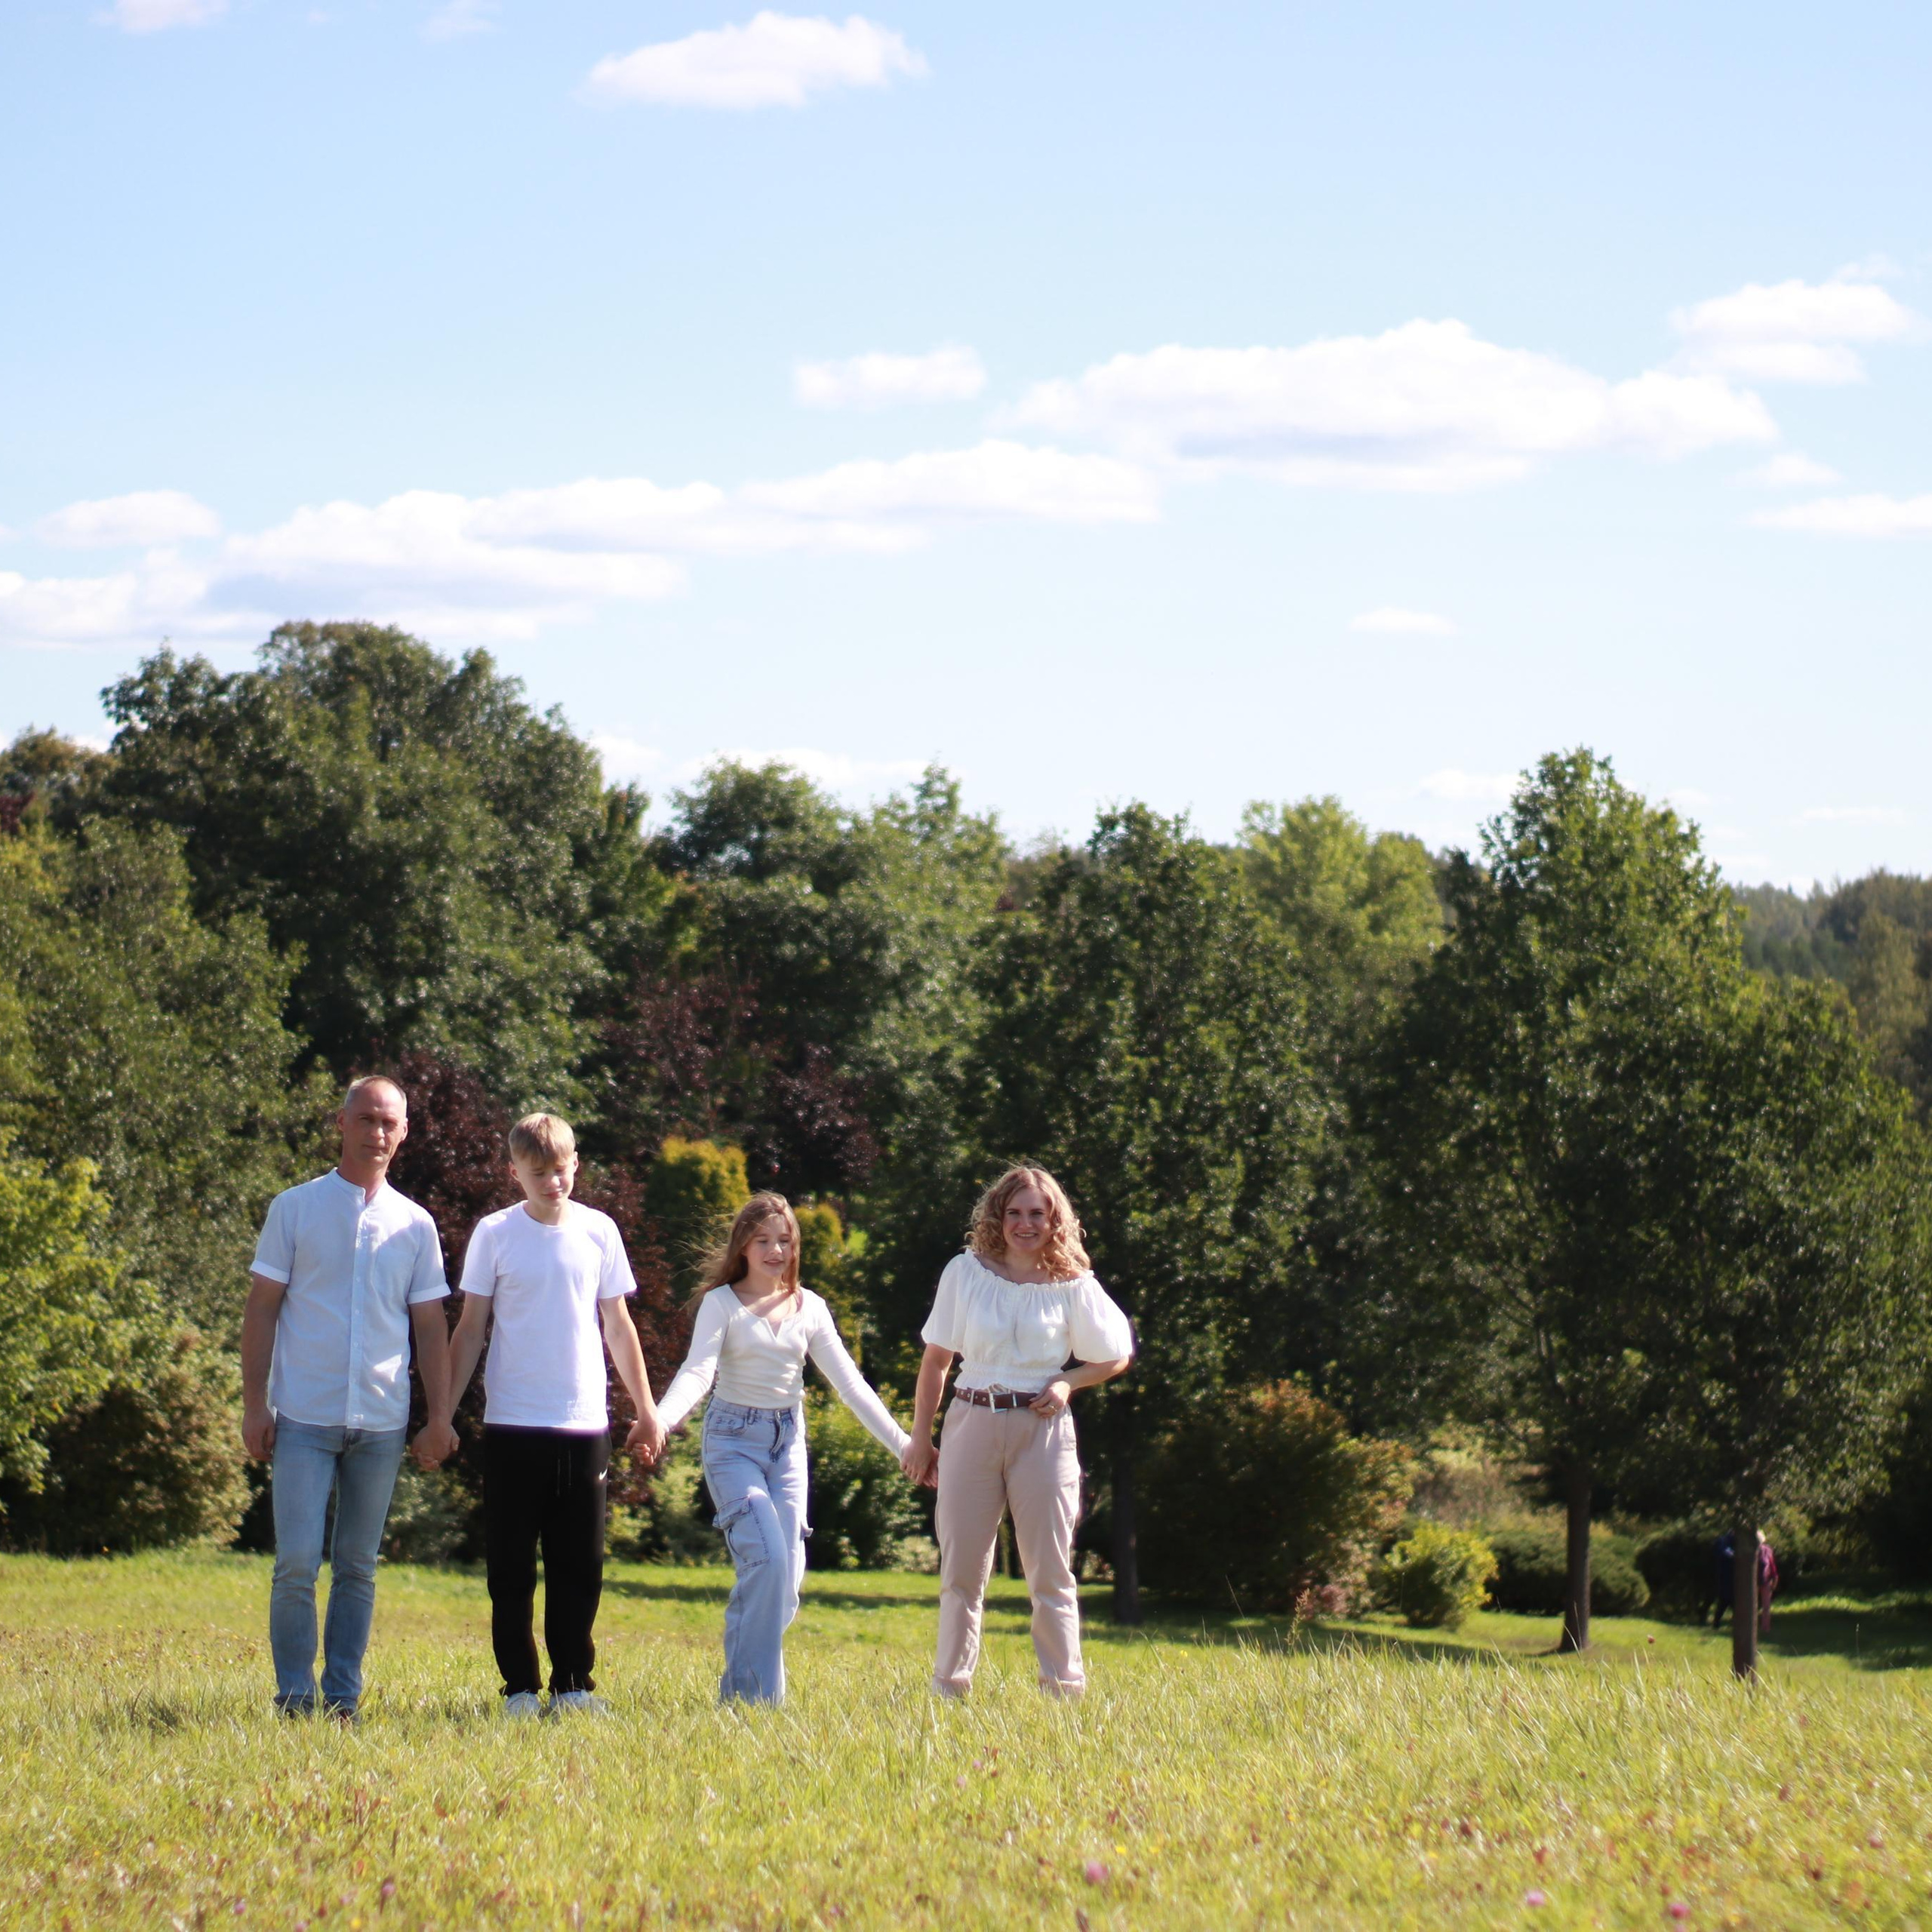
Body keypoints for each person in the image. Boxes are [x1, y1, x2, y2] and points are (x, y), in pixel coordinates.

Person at [431, 1112, 666, 1718]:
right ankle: (520, 1691)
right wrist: (442, 1417)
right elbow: (472, 1326)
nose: (553, 1183)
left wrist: (646, 1410)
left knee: (579, 1567)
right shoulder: (495, 1234)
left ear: (576, 1165)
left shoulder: (599, 1232)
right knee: (510, 1569)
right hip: (513, 1425)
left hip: (585, 1426)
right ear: (515, 1173)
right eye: (538, 1173)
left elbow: (618, 1323)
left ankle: (573, 1686)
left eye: (561, 1170)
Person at [241, 1075, 454, 1721]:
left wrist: (439, 1417)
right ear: (342, 1123)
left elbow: (430, 1326)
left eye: (389, 1123)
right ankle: (294, 1697)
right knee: (297, 1564)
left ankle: (342, 1699)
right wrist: (255, 1404)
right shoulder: (295, 1208)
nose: (377, 1133)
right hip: (302, 1415)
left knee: (358, 1568)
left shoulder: (416, 1225)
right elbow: (261, 1310)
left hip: (382, 1422)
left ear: (405, 1133)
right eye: (366, 1119)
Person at [657, 1192, 918, 1704]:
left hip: (787, 1445)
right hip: (733, 1444)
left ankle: (740, 1688)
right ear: (744, 1247)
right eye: (764, 1241)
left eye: (785, 1241)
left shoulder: (810, 1308)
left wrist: (905, 1445)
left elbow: (852, 1386)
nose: (776, 1251)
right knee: (770, 1561)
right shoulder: (722, 1305)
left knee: (786, 1579)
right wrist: (662, 1423)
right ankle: (754, 1703)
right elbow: (698, 1372)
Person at [903, 1165, 1134, 1700]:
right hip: (970, 1423)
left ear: (1055, 1220)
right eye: (1015, 1213)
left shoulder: (1072, 1284)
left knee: (1050, 1572)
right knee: (961, 1570)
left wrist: (1067, 1384)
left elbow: (1115, 1356)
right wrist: (921, 1437)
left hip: (1043, 1432)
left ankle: (1063, 1693)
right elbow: (936, 1360)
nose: (1025, 1224)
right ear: (997, 1218)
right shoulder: (965, 1273)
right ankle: (950, 1689)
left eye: (1037, 1214)